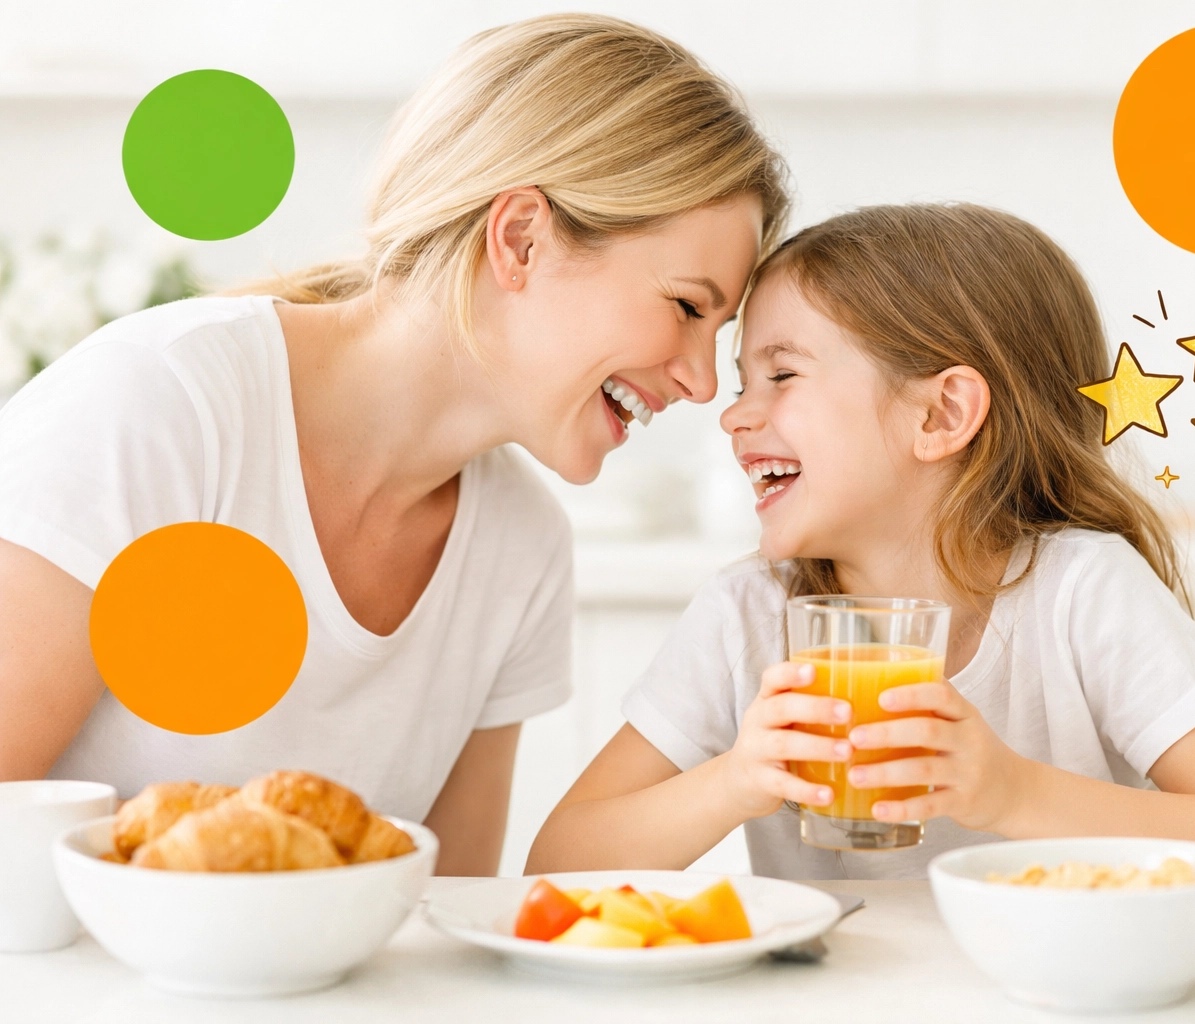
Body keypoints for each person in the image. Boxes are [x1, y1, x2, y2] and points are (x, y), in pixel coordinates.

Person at [0, 14, 788, 875]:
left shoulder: (518, 550)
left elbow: (444, 920)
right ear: (520, 238)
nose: (704, 382)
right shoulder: (159, 408)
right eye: (685, 306)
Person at [528, 204, 1195, 880]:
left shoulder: (1083, 594)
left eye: (783, 376)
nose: (734, 414)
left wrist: (1015, 794)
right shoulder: (746, 617)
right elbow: (556, 864)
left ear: (941, 415)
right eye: (744, 382)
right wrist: (737, 779)